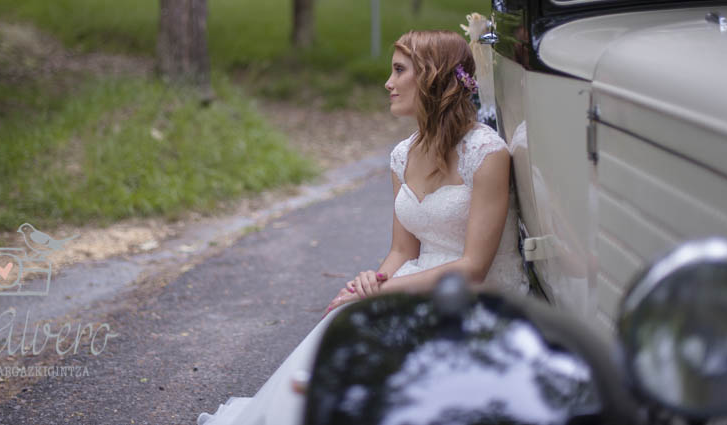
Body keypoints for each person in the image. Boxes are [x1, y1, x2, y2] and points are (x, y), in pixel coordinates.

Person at [197, 29, 528, 425]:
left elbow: (473, 268)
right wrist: (370, 283)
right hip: (417, 281)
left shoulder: (486, 153)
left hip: (475, 297)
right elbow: (403, 251)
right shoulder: (402, 155)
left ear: (432, 76)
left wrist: (385, 290)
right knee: (343, 325)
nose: (388, 83)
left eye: (399, 70)